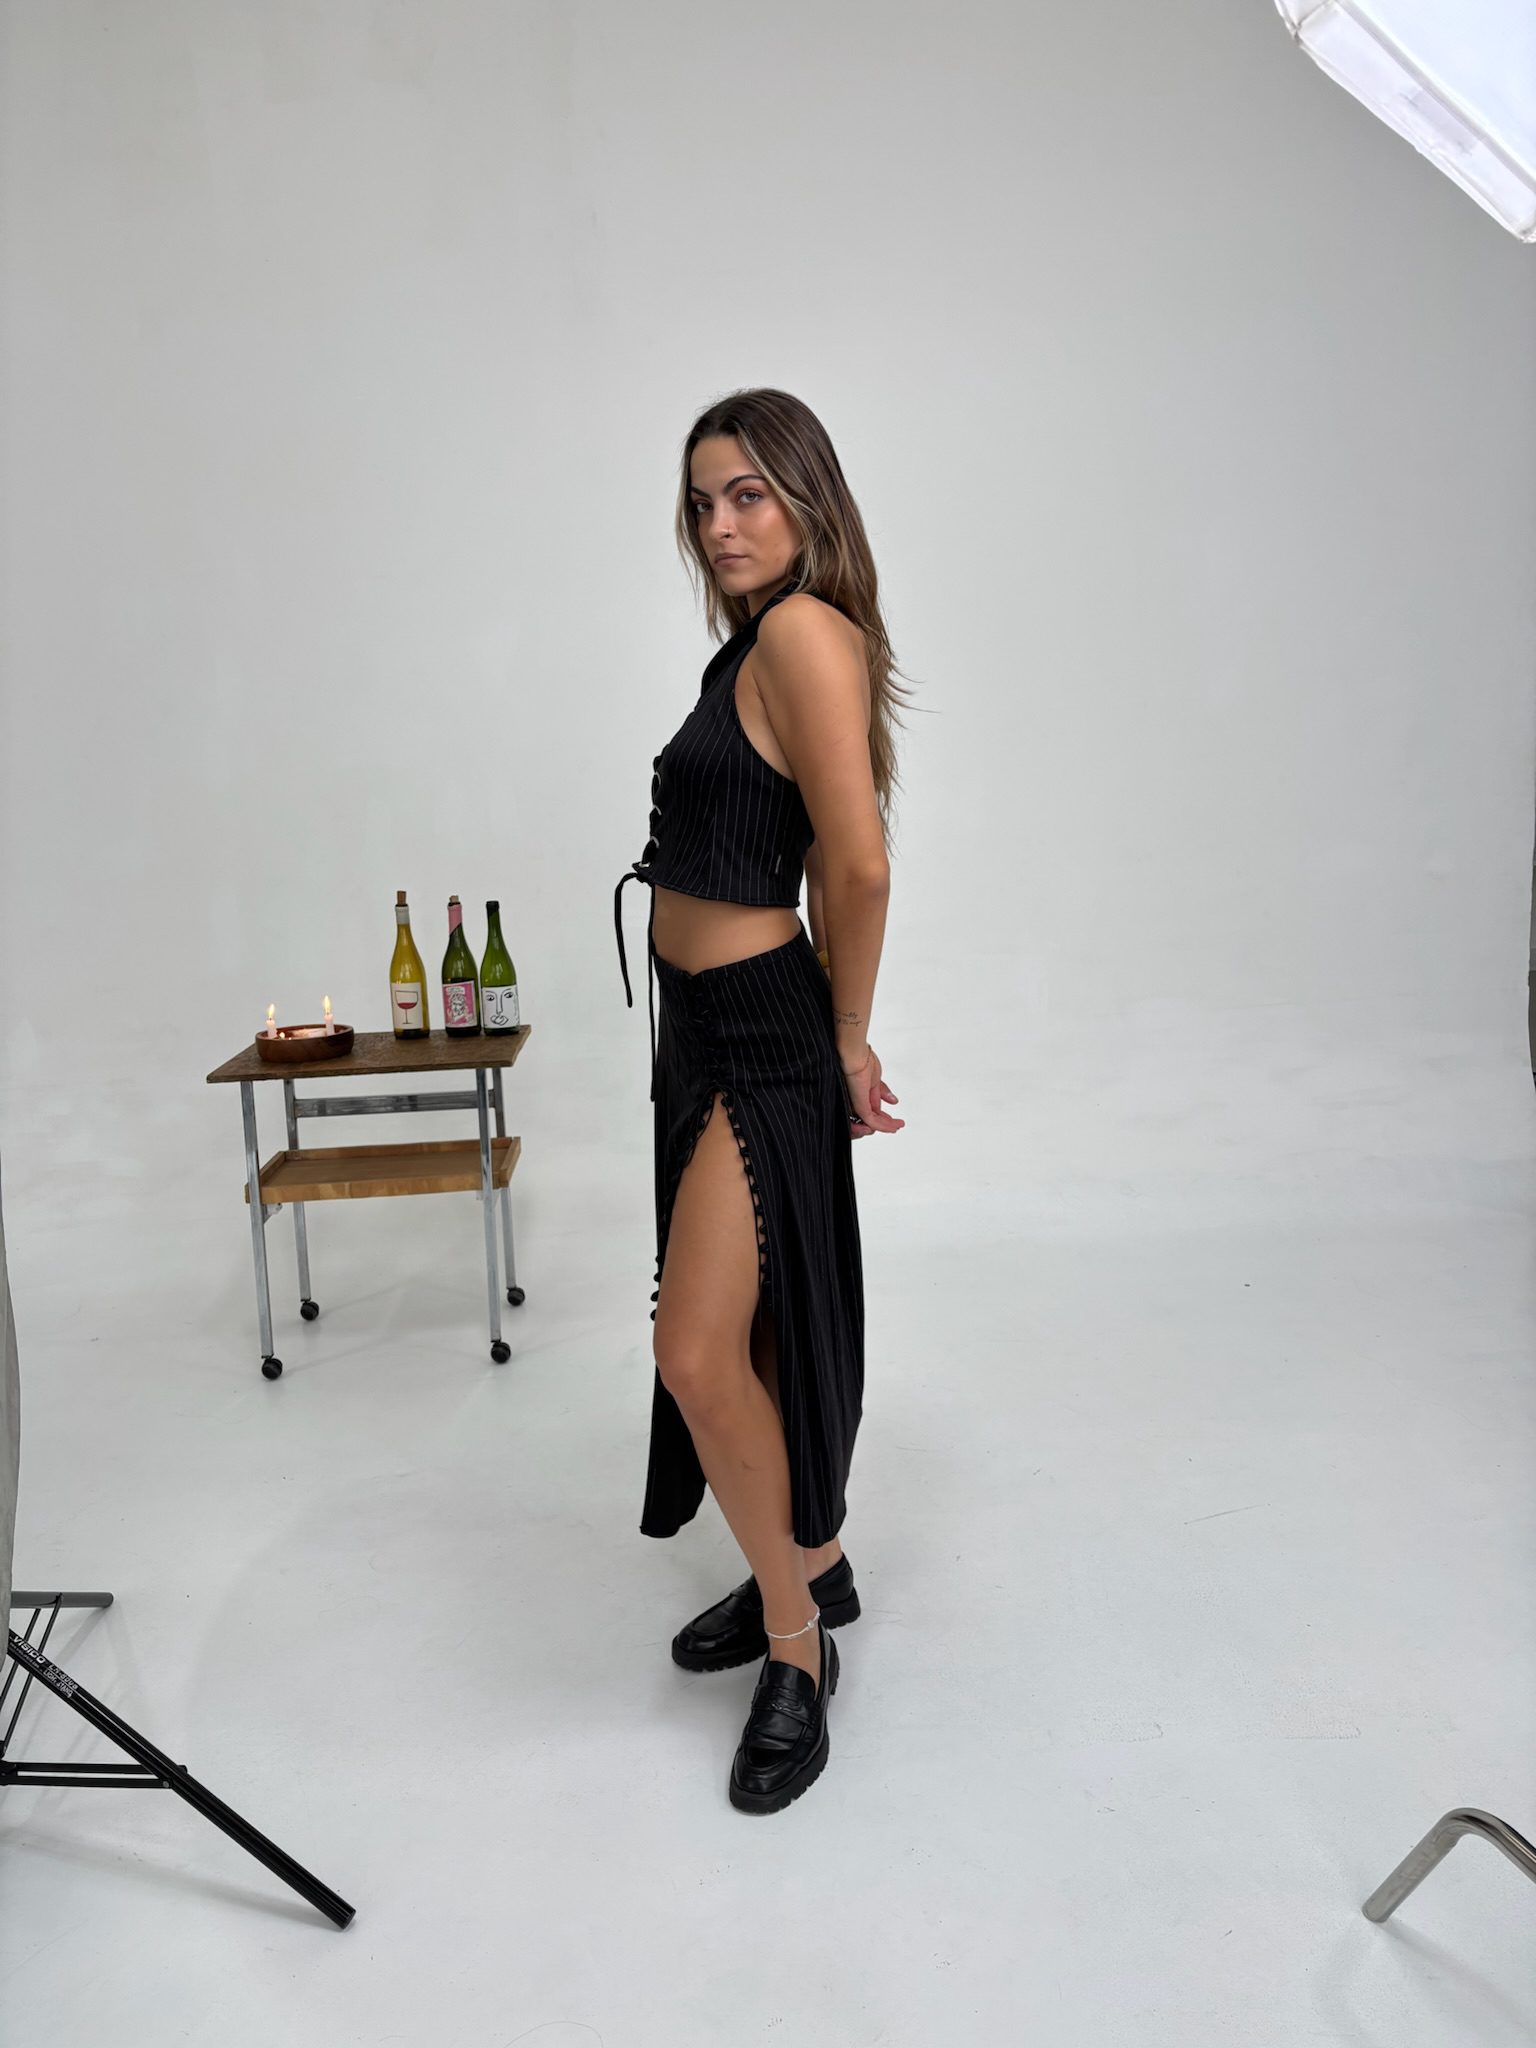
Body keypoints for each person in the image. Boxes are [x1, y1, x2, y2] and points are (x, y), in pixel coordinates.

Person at [613, 387, 910, 1812]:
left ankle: (797, 1646)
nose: (720, 524)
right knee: (754, 1329)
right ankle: (813, 1562)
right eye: (702, 501)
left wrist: (846, 1036)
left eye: (747, 494)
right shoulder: (757, 640)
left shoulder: (801, 633)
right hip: (698, 1027)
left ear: (806, 499)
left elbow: (858, 865)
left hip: (760, 1033)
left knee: (695, 1347)